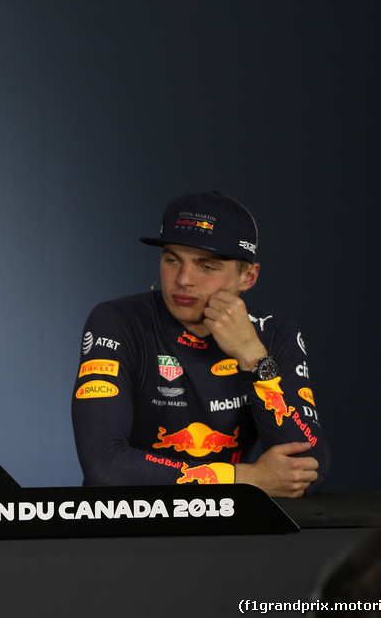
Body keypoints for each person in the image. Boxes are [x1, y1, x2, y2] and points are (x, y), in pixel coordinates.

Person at [72, 191, 327, 497]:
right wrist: (249, 478)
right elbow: (105, 468)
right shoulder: (118, 321)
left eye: (207, 266)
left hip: (231, 534)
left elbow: (306, 468)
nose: (183, 279)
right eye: (172, 259)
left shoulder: (273, 332)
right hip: (133, 528)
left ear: (249, 276)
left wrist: (253, 359)